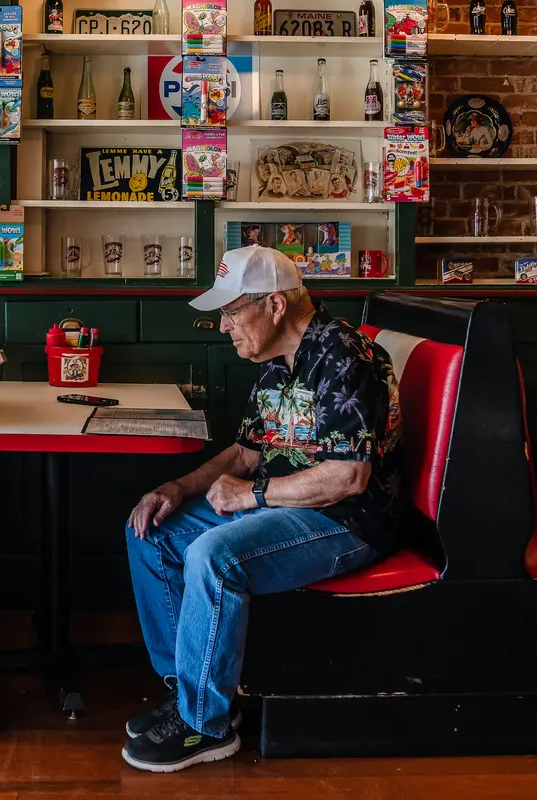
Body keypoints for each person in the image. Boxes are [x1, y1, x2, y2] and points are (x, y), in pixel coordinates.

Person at [121, 245, 402, 772]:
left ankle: (204, 725)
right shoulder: (275, 362)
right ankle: (189, 691)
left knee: (213, 555)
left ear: (274, 304)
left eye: (231, 311)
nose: (224, 326)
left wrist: (249, 496)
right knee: (151, 531)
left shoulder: (347, 357)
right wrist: (179, 487)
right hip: (281, 504)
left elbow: (349, 476)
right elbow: (247, 451)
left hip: (345, 521)